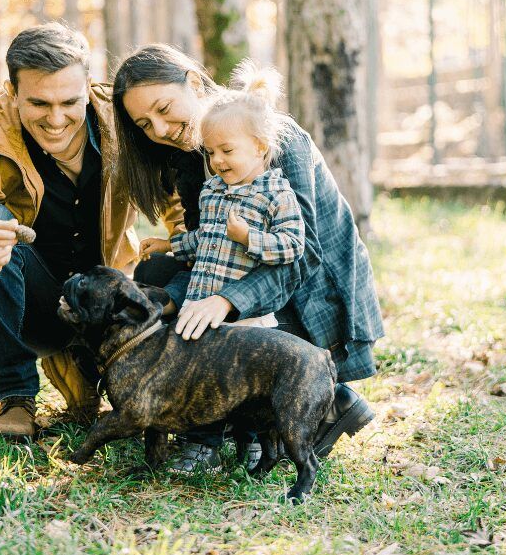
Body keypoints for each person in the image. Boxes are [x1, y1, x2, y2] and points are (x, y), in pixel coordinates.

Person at [113, 44, 384, 473]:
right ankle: (216, 417)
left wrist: (226, 301)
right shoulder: (193, 159)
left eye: (164, 109)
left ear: (194, 83)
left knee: (217, 328)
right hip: (249, 281)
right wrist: (169, 299)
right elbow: (209, 248)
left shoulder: (273, 138)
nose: (160, 129)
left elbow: (300, 257)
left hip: (311, 299)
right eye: (145, 124)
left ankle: (325, 401)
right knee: (156, 274)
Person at [0, 23, 179, 439]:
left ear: (87, 87)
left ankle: (89, 361)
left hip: (101, 301)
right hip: (29, 307)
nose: (56, 120)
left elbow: (179, 194)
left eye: (69, 102)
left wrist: (187, 244)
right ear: (12, 91)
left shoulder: (121, 118)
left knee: (171, 261)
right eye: (39, 103)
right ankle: (15, 396)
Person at [141, 61, 304, 331]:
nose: (216, 160)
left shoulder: (277, 194)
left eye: (227, 151)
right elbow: (205, 239)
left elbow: (293, 246)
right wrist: (169, 244)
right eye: (210, 152)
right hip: (199, 303)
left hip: (246, 316)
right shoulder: (212, 190)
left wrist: (249, 238)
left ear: (260, 146)